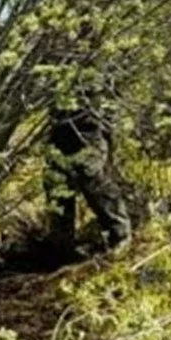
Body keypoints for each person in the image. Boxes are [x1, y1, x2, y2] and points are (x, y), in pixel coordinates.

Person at [44, 94, 131, 259]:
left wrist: (107, 126)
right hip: (59, 133)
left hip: (89, 132)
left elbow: (110, 94)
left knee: (93, 181)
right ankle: (61, 250)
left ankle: (120, 236)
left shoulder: (92, 74)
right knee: (57, 185)